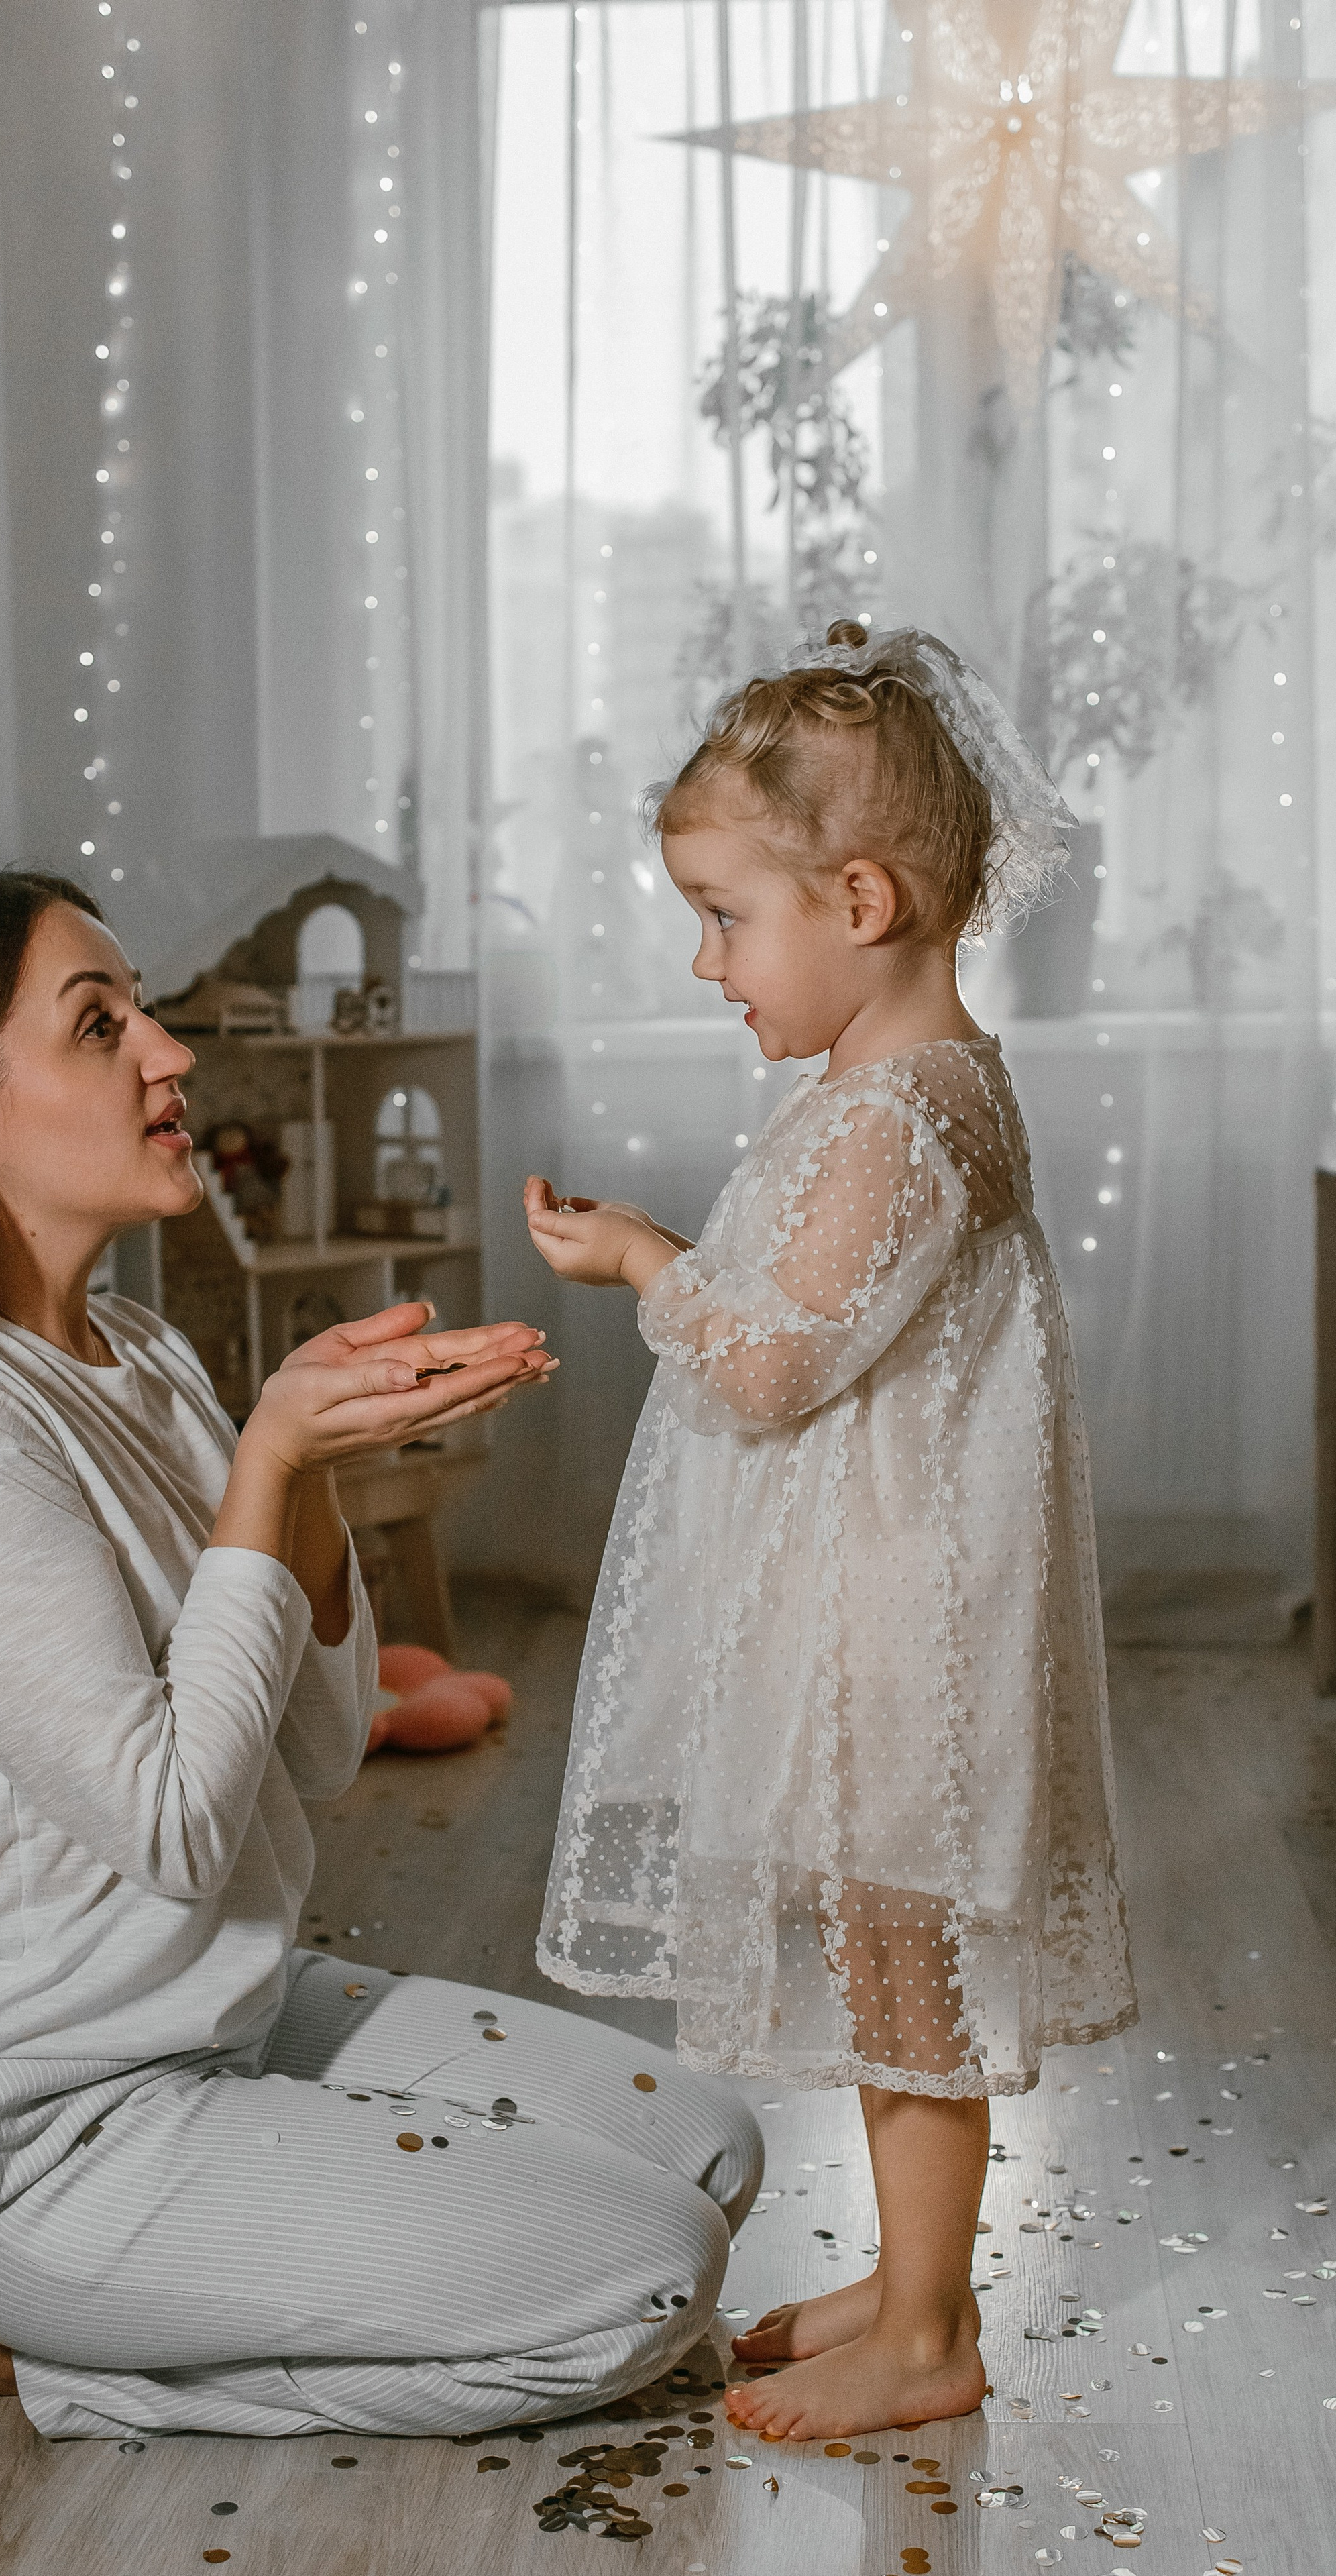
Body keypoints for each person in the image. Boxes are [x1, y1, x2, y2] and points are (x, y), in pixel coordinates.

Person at [0, 871, 764, 2439]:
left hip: (218, 2012)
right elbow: (167, 1824)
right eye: (100, 1027)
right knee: (651, 2280)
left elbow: (309, 1754)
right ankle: (1, 2343)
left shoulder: (143, 1356)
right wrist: (270, 1458)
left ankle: (145, 2287)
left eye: (137, 1005)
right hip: (32, 2124)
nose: (167, 1053)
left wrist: (299, 1472)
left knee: (709, 2147)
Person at [524, 623, 1136, 2442]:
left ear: (859, 899)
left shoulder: (902, 1111)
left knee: (907, 1960)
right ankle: (906, 2266)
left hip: (903, 1619)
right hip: (875, 1594)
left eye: (725, 918)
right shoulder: (877, 1089)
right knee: (888, 1957)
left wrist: (645, 1258)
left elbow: (780, 1362)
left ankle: (933, 2329)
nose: (708, 961)